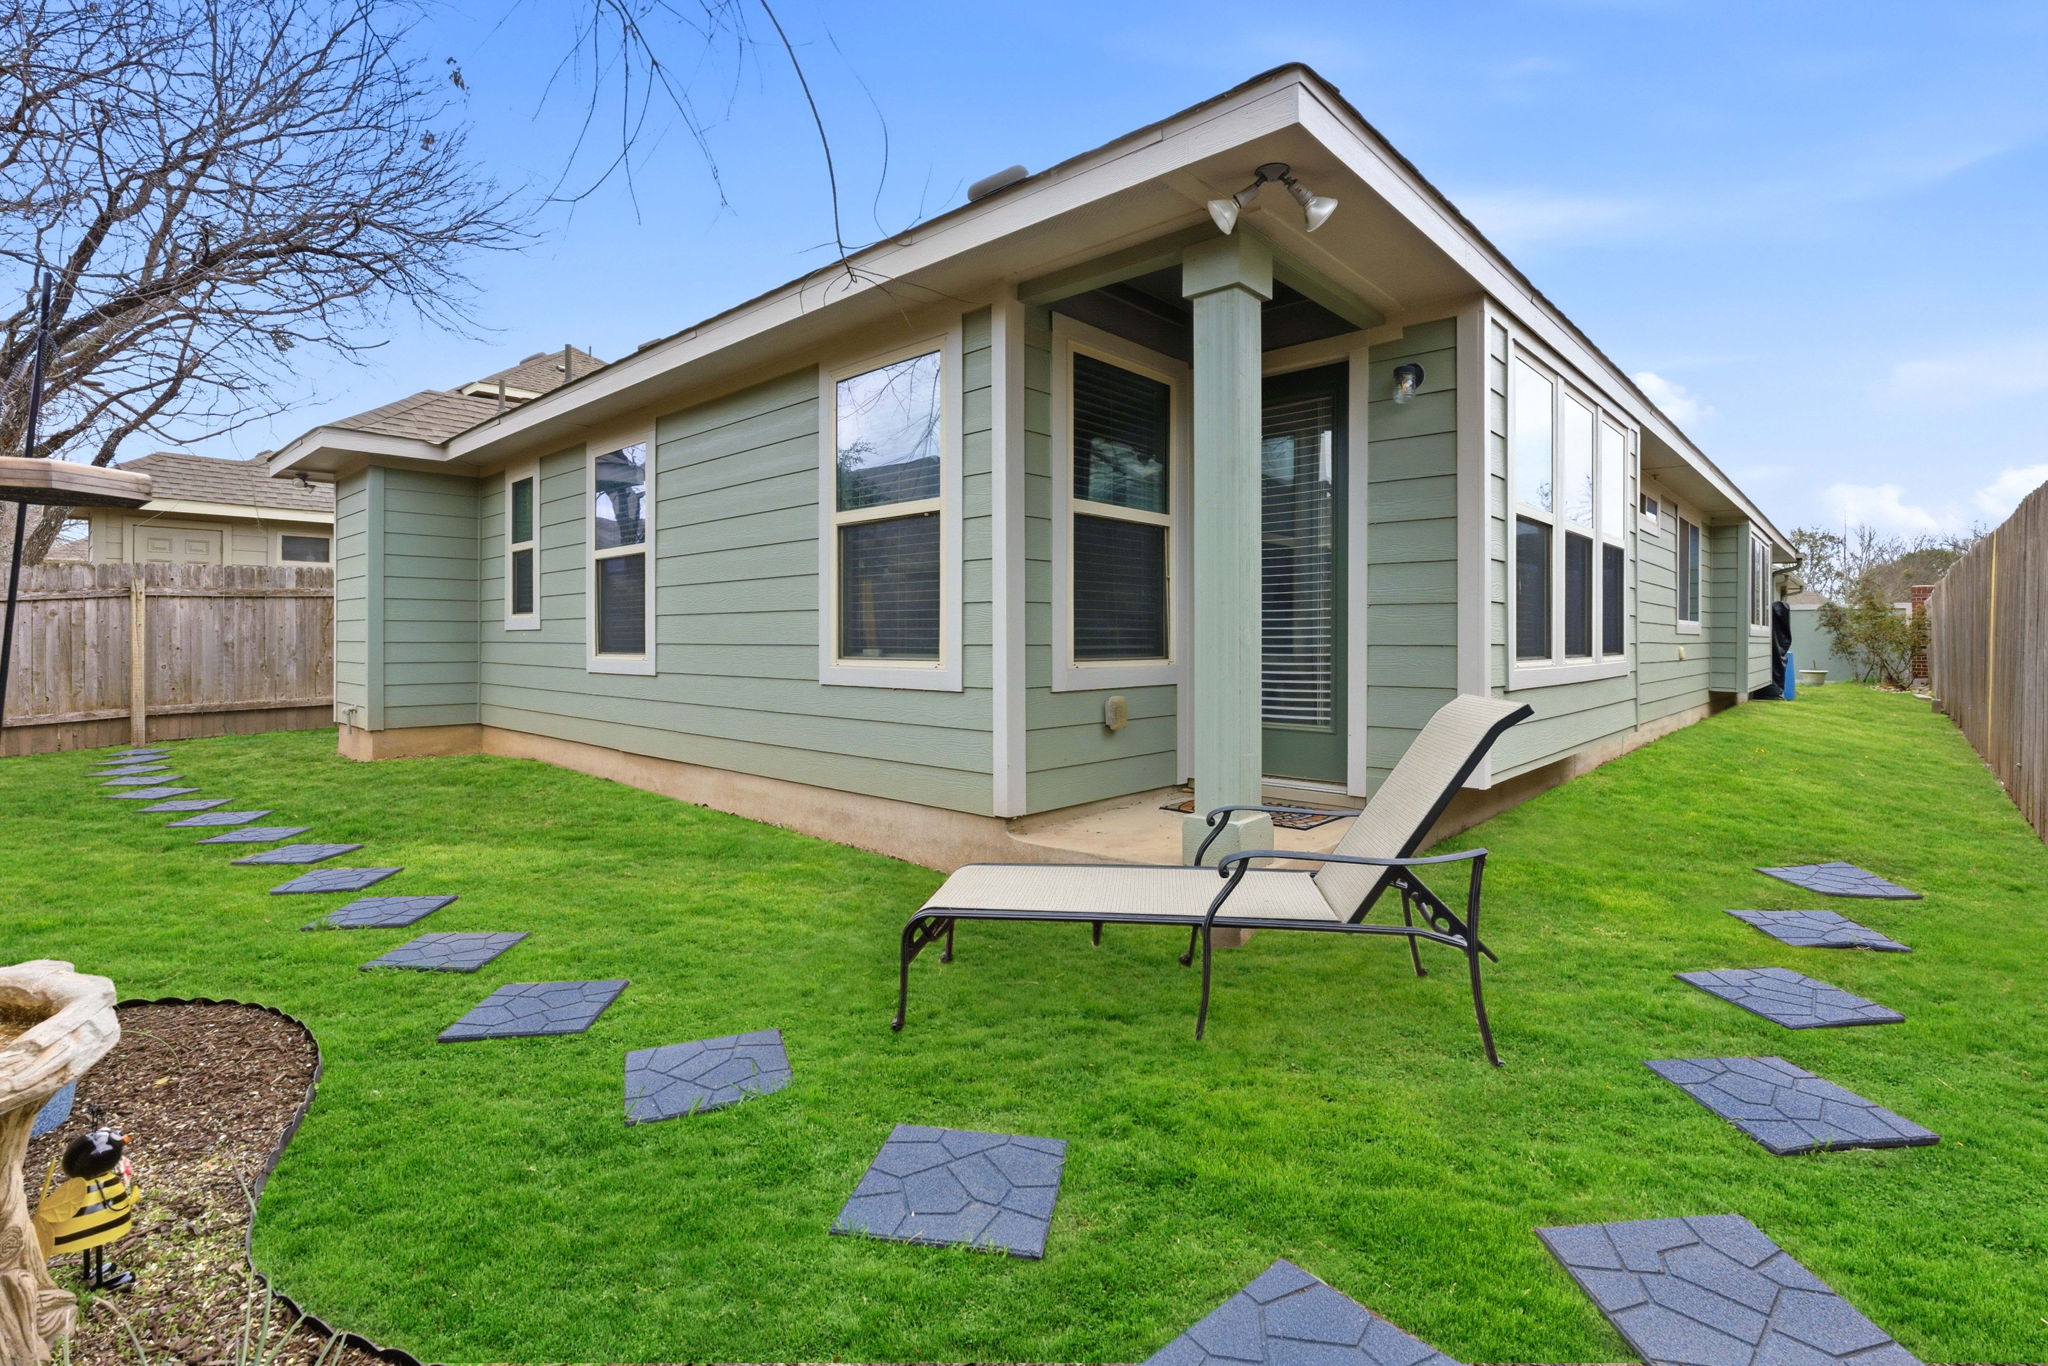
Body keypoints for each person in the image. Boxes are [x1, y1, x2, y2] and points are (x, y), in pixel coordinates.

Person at [31, 1127, 138, 1290]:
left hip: (99, 1221)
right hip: (92, 1225)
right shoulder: (80, 1188)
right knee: (95, 1239)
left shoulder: (83, 1185)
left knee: (95, 1240)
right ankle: (97, 1279)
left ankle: (93, 1274)